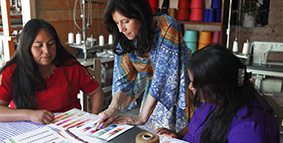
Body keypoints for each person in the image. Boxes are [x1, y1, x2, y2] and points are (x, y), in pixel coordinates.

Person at [94, 0, 194, 132]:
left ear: (140, 15)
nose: (121, 29)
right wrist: (112, 108)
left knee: (178, 136)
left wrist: (142, 117)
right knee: (150, 135)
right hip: (154, 93)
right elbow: (122, 78)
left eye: (125, 21)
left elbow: (162, 77)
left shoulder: (167, 26)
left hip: (183, 90)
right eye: (117, 23)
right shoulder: (125, 37)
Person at [155, 45, 280, 143]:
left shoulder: (248, 129)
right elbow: (196, 124)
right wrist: (178, 136)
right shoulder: (213, 99)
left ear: (215, 87)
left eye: (194, 83)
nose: (190, 87)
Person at [0, 19, 104, 125]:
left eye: (51, 44)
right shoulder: (12, 72)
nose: (47, 51)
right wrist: (29, 114)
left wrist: (93, 121)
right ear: (27, 48)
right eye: (39, 46)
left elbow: (96, 92)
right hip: (28, 130)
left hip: (68, 128)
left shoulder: (71, 67)